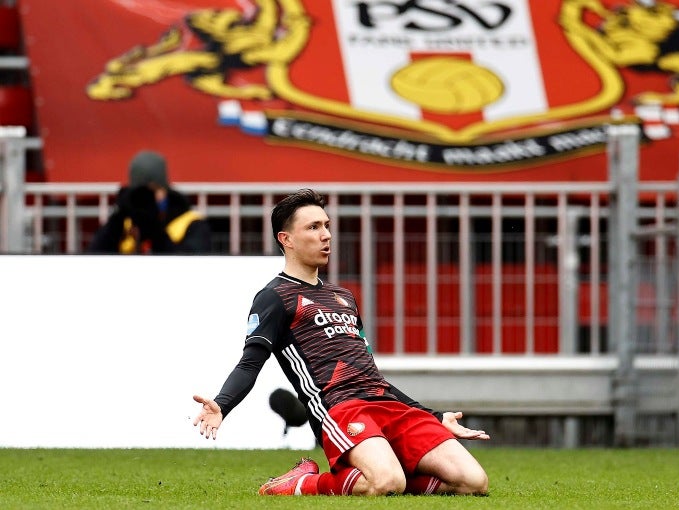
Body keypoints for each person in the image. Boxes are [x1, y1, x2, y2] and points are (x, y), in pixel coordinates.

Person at [192, 188, 490, 497]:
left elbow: (371, 375)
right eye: (313, 227)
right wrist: (222, 404)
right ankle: (302, 483)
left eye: (326, 225)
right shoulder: (274, 297)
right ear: (286, 239)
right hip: (340, 408)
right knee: (386, 482)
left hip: (388, 404)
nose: (326, 235)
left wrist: (434, 415)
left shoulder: (343, 297)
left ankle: (385, 470)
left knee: (473, 481)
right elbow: (250, 362)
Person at [88, 150, 212, 254]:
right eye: (141, 195)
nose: (148, 200)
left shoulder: (191, 224)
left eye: (153, 192)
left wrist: (155, 232)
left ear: (166, 190)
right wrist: (118, 219)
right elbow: (92, 258)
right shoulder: (124, 224)